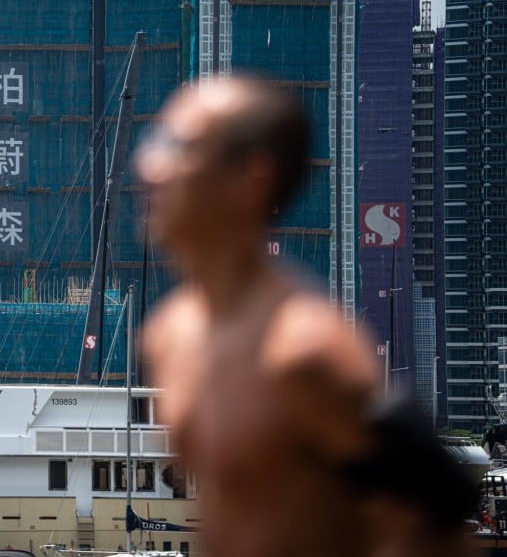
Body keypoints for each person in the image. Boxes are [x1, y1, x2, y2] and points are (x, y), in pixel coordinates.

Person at [136, 76, 474, 557]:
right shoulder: (169, 335)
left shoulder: (305, 352)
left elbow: (437, 525)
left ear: (250, 179)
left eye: (178, 147)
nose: (148, 167)